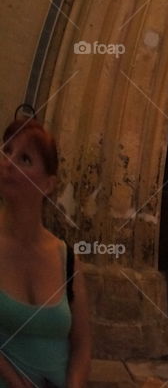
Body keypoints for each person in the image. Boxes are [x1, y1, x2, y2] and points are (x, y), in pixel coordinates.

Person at [0, 116, 91, 388]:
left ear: (48, 185)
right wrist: (14, 380)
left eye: (24, 158)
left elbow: (82, 346)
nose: (8, 161)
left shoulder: (67, 258)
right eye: (7, 150)